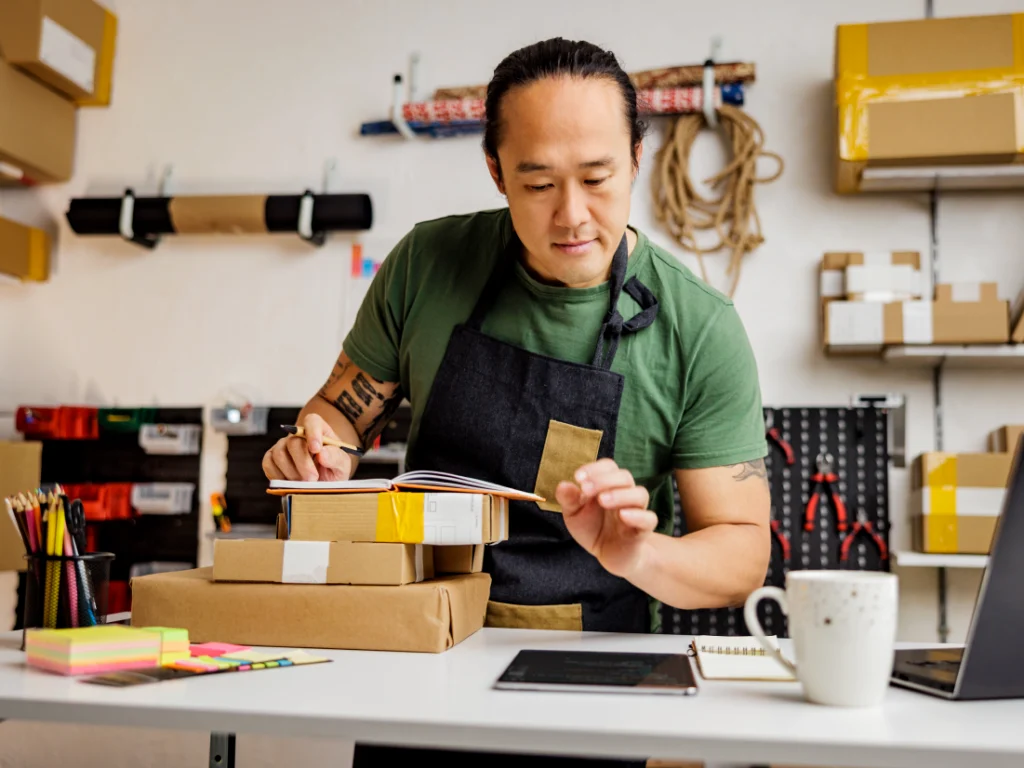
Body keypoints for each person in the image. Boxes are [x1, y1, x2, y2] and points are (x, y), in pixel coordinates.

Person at [263, 37, 771, 768]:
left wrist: (641, 553)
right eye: (538, 184)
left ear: (636, 156)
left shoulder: (700, 329)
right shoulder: (425, 266)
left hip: (597, 677)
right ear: (496, 172)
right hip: (425, 647)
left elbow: (743, 551)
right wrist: (318, 449)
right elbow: (341, 415)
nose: (572, 215)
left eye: (598, 178)